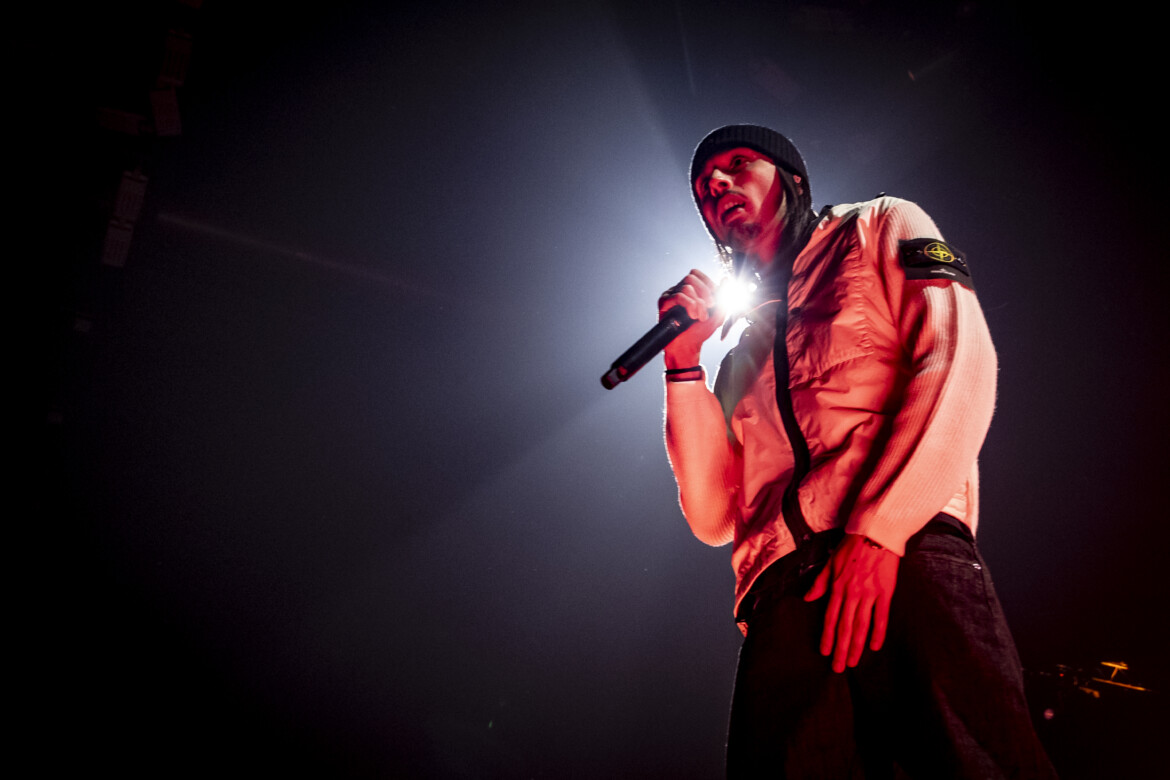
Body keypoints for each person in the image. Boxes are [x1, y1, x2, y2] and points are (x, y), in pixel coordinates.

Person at [659, 124, 1056, 778]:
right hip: (782, 598)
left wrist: (881, 532)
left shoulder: (879, 226)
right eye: (704, 188)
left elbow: (957, 358)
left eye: (736, 166)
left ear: (787, 177)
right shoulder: (736, 357)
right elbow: (712, 516)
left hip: (906, 554)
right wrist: (682, 363)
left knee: (972, 762)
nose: (718, 186)